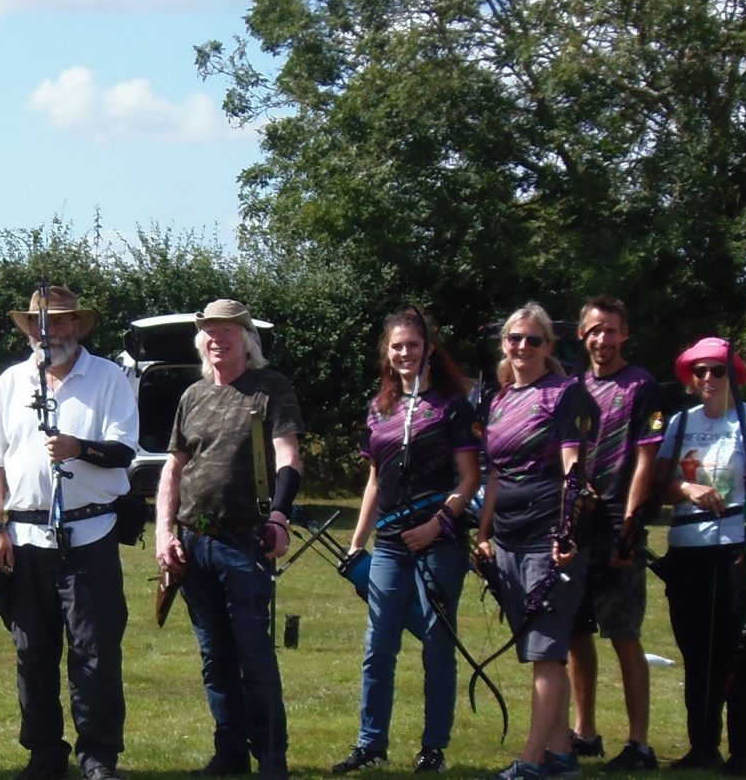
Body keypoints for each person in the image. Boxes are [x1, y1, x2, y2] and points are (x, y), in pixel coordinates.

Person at [0, 286, 139, 780]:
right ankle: (44, 754)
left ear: (78, 327)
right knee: (32, 651)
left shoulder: (108, 378)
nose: (51, 333)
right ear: (28, 331)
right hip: (24, 539)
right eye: (41, 324)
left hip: (91, 534)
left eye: (61, 322)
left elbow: (125, 451)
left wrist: (77, 448)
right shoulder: (10, 382)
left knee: (96, 652)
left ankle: (99, 756)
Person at [155, 298, 300, 780]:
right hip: (194, 545)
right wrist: (164, 533)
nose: (218, 339)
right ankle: (230, 753)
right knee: (215, 657)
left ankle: (272, 761)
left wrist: (279, 516)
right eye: (210, 333)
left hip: (246, 543)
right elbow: (173, 468)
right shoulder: (192, 396)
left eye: (228, 331)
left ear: (247, 338)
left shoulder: (270, 387)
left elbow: (288, 455)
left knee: (254, 656)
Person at [334, 308, 478, 775]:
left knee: (437, 643)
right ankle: (370, 745)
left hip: (439, 539)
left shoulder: (453, 405)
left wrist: (438, 524)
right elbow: (375, 480)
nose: (404, 353)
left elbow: (470, 477)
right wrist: (358, 541)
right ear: (387, 352)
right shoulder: (379, 408)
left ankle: (433, 748)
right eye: (396, 346)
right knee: (379, 645)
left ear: (428, 348)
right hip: (391, 542)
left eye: (412, 345)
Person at [474, 302, 599, 780]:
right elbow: (495, 474)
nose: (523, 347)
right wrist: (483, 536)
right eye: (514, 339)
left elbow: (574, 468)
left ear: (550, 347)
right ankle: (562, 754)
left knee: (546, 650)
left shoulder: (566, 395)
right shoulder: (500, 398)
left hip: (548, 537)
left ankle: (531, 760)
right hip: (506, 538)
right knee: (536, 646)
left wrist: (566, 532)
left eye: (534, 340)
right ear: (504, 344)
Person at [653, 336, 746, 775]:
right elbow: (662, 480)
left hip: (737, 548)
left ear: (734, 376)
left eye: (717, 370)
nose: (707, 378)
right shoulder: (680, 424)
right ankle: (702, 745)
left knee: (740, 651)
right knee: (696, 651)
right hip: (688, 549)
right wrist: (688, 488)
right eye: (699, 371)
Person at [565, 298, 664, 770]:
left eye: (611, 331)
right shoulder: (572, 387)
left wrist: (630, 528)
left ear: (625, 333)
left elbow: (647, 460)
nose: (602, 340)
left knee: (623, 633)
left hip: (617, 526)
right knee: (574, 632)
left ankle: (639, 742)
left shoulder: (642, 386)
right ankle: (584, 732)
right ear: (581, 335)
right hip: (577, 529)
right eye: (593, 331)